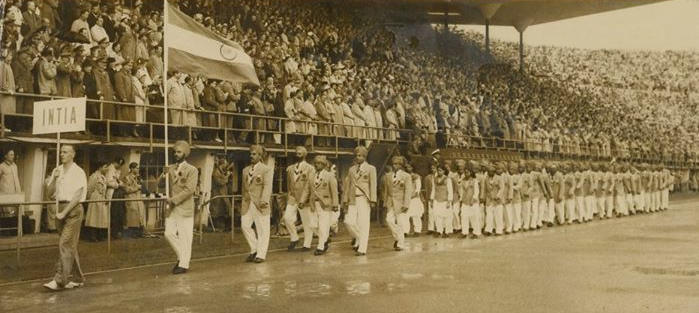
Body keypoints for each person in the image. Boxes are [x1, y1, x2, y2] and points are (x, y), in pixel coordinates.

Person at [43, 145, 87, 291]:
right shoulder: (58, 170)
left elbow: (78, 195)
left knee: (64, 244)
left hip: (73, 209)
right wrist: (54, 179)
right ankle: (77, 278)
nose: (62, 154)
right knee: (69, 245)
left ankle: (60, 280)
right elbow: (49, 194)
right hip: (60, 208)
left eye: (65, 152)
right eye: (60, 152)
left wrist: (64, 212)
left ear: (73, 154)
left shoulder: (78, 172)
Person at [160, 141, 198, 274]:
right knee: (168, 233)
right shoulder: (169, 168)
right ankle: (183, 257)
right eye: (175, 152)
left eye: (179, 152)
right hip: (172, 209)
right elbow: (160, 185)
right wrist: (163, 174)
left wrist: (173, 200)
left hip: (184, 207)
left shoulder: (192, 170)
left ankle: (183, 264)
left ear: (185, 153)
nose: (176, 154)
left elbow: (189, 190)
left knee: (185, 236)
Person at [241, 145, 273, 263]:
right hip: (248, 202)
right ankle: (254, 249)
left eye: (254, 154)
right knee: (245, 225)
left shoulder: (266, 169)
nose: (251, 156)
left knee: (263, 229)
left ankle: (261, 254)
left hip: (260, 203)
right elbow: (244, 188)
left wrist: (264, 200)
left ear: (260, 156)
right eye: (250, 154)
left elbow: (267, 186)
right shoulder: (245, 170)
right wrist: (244, 198)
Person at [342, 146, 376, 256]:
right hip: (352, 198)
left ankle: (362, 248)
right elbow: (348, 185)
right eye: (357, 155)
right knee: (349, 221)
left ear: (365, 157)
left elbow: (373, 185)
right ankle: (360, 238)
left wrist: (373, 199)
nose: (358, 157)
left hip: (363, 198)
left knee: (363, 223)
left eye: (360, 155)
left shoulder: (371, 168)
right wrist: (345, 199)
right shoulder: (351, 169)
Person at [284, 146, 315, 251]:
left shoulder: (310, 168)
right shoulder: (290, 168)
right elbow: (289, 184)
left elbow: (310, 186)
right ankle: (294, 237)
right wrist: (289, 195)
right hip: (293, 197)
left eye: (300, 153)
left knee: (306, 222)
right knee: (287, 218)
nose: (297, 154)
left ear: (305, 154)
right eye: (296, 153)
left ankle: (307, 244)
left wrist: (306, 199)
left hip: (304, 198)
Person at [309, 155, 338, 255]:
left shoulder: (329, 176)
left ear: (324, 165)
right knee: (312, 225)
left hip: (325, 204)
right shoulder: (311, 176)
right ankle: (325, 238)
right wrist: (302, 200)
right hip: (314, 204)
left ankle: (321, 247)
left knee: (323, 226)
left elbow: (334, 191)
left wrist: (335, 204)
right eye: (316, 163)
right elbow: (307, 190)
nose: (318, 165)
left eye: (320, 163)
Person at [385, 156, 412, 251]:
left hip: (400, 203)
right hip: (391, 202)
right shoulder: (388, 176)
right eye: (394, 164)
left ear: (401, 165)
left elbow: (408, 191)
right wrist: (386, 202)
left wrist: (406, 204)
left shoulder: (406, 176)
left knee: (400, 223)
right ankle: (397, 238)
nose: (395, 166)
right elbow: (387, 191)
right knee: (389, 220)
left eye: (397, 164)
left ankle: (401, 244)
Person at [84, 161, 110, 242]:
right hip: (95, 198)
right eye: (105, 167)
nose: (107, 169)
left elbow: (105, 189)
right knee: (94, 217)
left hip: (102, 198)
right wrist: (88, 200)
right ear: (100, 167)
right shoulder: (94, 176)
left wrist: (105, 198)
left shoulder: (103, 177)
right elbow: (89, 189)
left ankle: (100, 235)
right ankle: (92, 236)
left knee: (101, 217)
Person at [430, 163, 453, 238]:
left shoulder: (447, 179)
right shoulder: (435, 179)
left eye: (440, 171)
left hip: (445, 200)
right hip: (437, 200)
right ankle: (439, 231)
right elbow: (433, 189)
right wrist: (432, 200)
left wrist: (449, 201)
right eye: (438, 170)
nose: (439, 172)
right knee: (437, 215)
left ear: (444, 171)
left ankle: (447, 231)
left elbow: (450, 190)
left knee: (447, 216)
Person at [123, 162, 145, 237]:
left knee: (140, 215)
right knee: (132, 216)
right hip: (131, 198)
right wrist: (136, 188)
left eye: (138, 168)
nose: (138, 169)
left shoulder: (138, 177)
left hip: (138, 198)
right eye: (136, 168)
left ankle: (140, 232)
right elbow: (126, 189)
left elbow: (142, 187)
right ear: (132, 169)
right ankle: (133, 233)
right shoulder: (127, 177)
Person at [210, 158, 232, 231]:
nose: (226, 165)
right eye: (225, 164)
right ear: (222, 164)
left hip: (223, 194)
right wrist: (227, 176)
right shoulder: (216, 173)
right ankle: (218, 227)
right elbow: (220, 182)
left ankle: (226, 227)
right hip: (218, 195)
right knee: (217, 211)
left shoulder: (221, 172)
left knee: (227, 209)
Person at [0, 150, 22, 217]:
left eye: (13, 154)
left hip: (15, 194)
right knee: (7, 214)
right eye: (11, 155)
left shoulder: (15, 166)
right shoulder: (1, 166)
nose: (13, 156)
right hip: (6, 194)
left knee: (14, 213)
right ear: (5, 156)